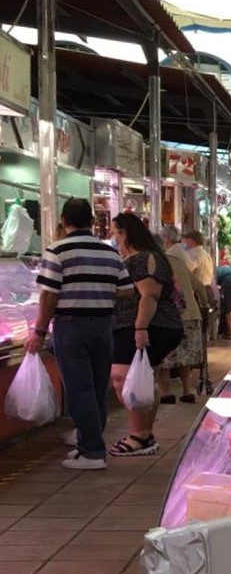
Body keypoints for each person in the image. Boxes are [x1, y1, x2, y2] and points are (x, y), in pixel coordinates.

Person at [26, 198, 132, 470]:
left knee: (78, 389)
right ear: (92, 222)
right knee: (97, 388)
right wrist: (99, 292)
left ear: (64, 220)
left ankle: (94, 453)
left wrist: (39, 330)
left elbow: (49, 295)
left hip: (71, 326)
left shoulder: (57, 250)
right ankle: (88, 444)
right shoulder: (109, 253)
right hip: (103, 326)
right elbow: (126, 289)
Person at [108, 212, 185, 457]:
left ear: (125, 233)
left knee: (122, 376)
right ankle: (144, 433)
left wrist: (140, 327)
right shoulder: (144, 257)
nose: (113, 238)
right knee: (140, 378)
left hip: (146, 326)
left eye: (115, 233)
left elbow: (149, 295)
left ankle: (139, 435)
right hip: (146, 325)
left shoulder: (145, 259)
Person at [157, 233, 211, 404]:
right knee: (185, 357)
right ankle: (187, 391)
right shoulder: (180, 263)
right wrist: (204, 304)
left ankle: (167, 393)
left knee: (164, 357)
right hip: (190, 314)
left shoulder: (157, 264)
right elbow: (199, 286)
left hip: (168, 317)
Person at [182, 229, 216, 304]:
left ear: (191, 241)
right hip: (208, 290)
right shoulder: (205, 254)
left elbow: (186, 270)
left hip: (197, 293)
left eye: (186, 241)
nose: (185, 244)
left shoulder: (193, 254)